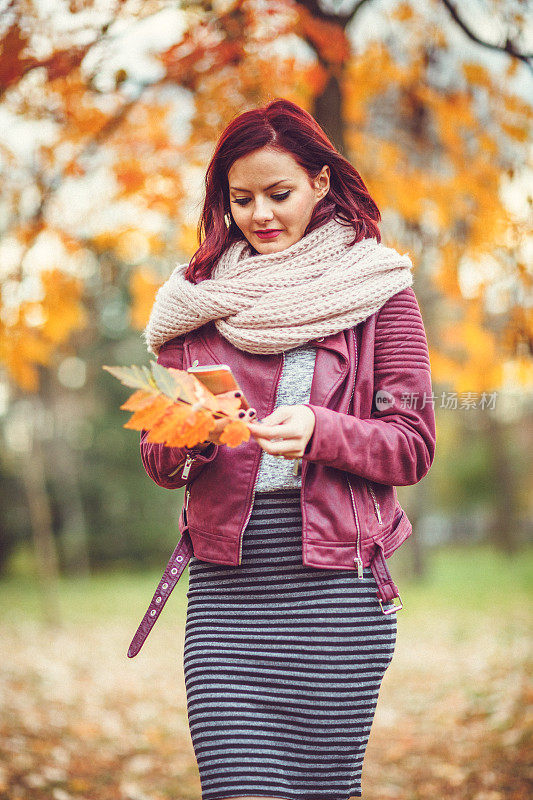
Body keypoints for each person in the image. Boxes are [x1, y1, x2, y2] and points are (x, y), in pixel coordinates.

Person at [137, 98, 436, 800]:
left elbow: (412, 446)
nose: (260, 215)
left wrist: (320, 432)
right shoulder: (194, 304)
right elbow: (159, 462)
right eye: (241, 199)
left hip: (336, 592)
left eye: (279, 194)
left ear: (320, 184)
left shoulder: (380, 292)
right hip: (227, 592)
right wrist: (192, 431)